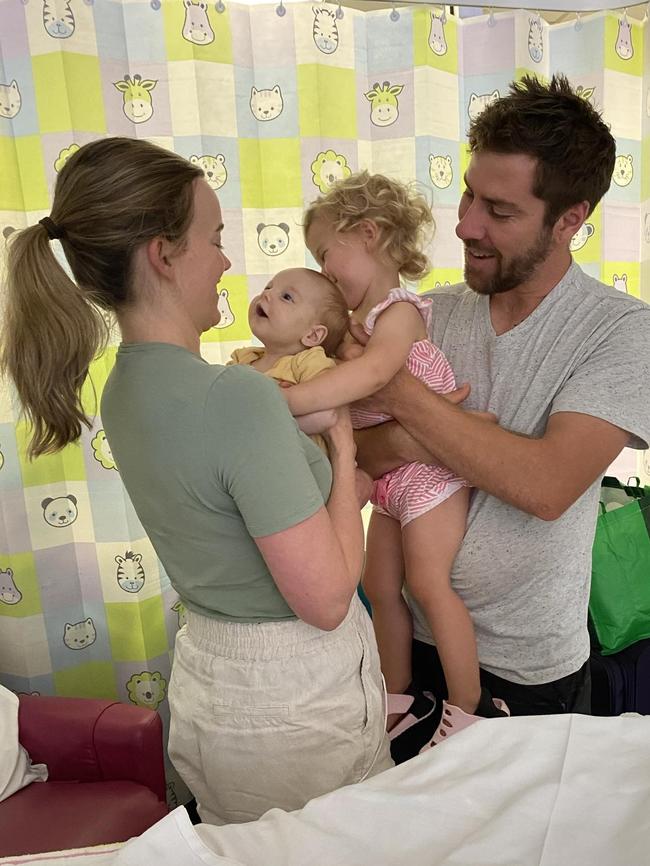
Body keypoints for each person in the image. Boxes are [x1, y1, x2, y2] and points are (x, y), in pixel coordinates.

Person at [0, 136, 393, 823]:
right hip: (292, 705)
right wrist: (343, 453)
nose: (227, 261)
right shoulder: (236, 398)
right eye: (213, 238)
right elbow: (328, 599)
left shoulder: (124, 390)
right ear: (163, 253)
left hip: (215, 682)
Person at [349, 74, 650, 759]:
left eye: (499, 210)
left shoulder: (622, 332)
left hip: (528, 673)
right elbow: (359, 458)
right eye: (467, 195)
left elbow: (546, 486)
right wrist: (427, 433)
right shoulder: (429, 313)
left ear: (570, 219)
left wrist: (399, 397)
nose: (465, 225)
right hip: (408, 641)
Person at [284, 171, 508, 751]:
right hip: (391, 482)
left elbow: (379, 376)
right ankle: (397, 694)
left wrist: (294, 398)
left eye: (325, 255)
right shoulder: (355, 327)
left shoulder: (399, 312)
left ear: (368, 234)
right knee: (379, 585)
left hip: (432, 479)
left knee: (431, 585)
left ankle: (467, 711)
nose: (323, 272)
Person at [228, 267, 348, 453]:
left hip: (299, 469)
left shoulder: (308, 362)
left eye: (286, 297)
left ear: (313, 335)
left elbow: (328, 414)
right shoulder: (243, 359)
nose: (266, 294)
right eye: (268, 287)